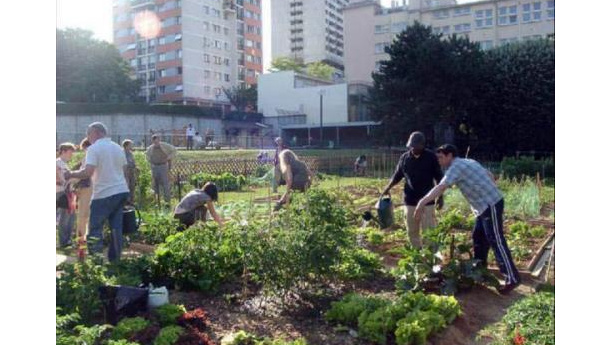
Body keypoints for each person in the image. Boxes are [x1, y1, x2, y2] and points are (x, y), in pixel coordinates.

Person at [414, 144, 521, 294]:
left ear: (450, 155)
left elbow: (441, 187)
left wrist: (422, 202)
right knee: (478, 237)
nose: (439, 160)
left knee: (496, 240)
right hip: (485, 206)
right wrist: (488, 187)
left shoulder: (455, 167)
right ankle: (480, 272)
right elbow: (489, 174)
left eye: (441, 157)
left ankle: (512, 278)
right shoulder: (469, 161)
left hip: (490, 204)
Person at [65, 122, 130, 262]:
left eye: (88, 134)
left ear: (95, 133)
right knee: (116, 228)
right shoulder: (118, 148)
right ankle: (115, 260)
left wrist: (70, 174)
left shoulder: (94, 149)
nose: (88, 138)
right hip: (121, 191)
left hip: (103, 194)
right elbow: (124, 171)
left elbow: (88, 172)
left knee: (95, 228)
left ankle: (96, 262)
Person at [381, 132, 444, 248]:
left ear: (423, 145)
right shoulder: (405, 158)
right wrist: (388, 187)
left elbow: (439, 178)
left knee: (429, 231)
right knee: (412, 230)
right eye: (412, 146)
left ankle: (431, 257)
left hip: (427, 200)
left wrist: (440, 197)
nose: (414, 149)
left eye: (416, 146)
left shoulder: (431, 157)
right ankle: (417, 254)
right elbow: (397, 175)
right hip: (410, 200)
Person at [146, 134, 177, 205]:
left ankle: (167, 201)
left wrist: (168, 157)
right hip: (154, 166)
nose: (155, 143)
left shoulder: (165, 146)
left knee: (165, 183)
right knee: (155, 184)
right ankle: (157, 200)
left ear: (159, 140)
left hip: (163, 166)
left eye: (157, 141)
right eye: (154, 141)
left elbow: (174, 150)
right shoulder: (150, 148)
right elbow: (147, 156)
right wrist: (150, 161)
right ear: (152, 141)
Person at [74, 139, 93, 253]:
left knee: (82, 215)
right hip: (94, 188)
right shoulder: (91, 156)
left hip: (87, 187)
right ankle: (85, 239)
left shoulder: (89, 156)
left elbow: (83, 174)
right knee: (88, 215)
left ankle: (81, 241)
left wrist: (72, 182)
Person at [57, 142, 77, 249]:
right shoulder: (57, 163)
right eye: (70, 152)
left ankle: (67, 240)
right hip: (61, 193)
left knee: (71, 217)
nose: (71, 155)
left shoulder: (64, 164)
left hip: (68, 193)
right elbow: (60, 179)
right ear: (63, 151)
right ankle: (63, 242)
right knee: (65, 218)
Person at [122, 139, 137, 205]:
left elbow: (133, 162)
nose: (131, 146)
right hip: (125, 172)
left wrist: (135, 167)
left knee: (132, 186)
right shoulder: (122, 153)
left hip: (132, 171)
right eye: (130, 145)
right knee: (126, 186)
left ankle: (131, 201)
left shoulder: (130, 154)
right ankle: (126, 201)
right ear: (126, 145)